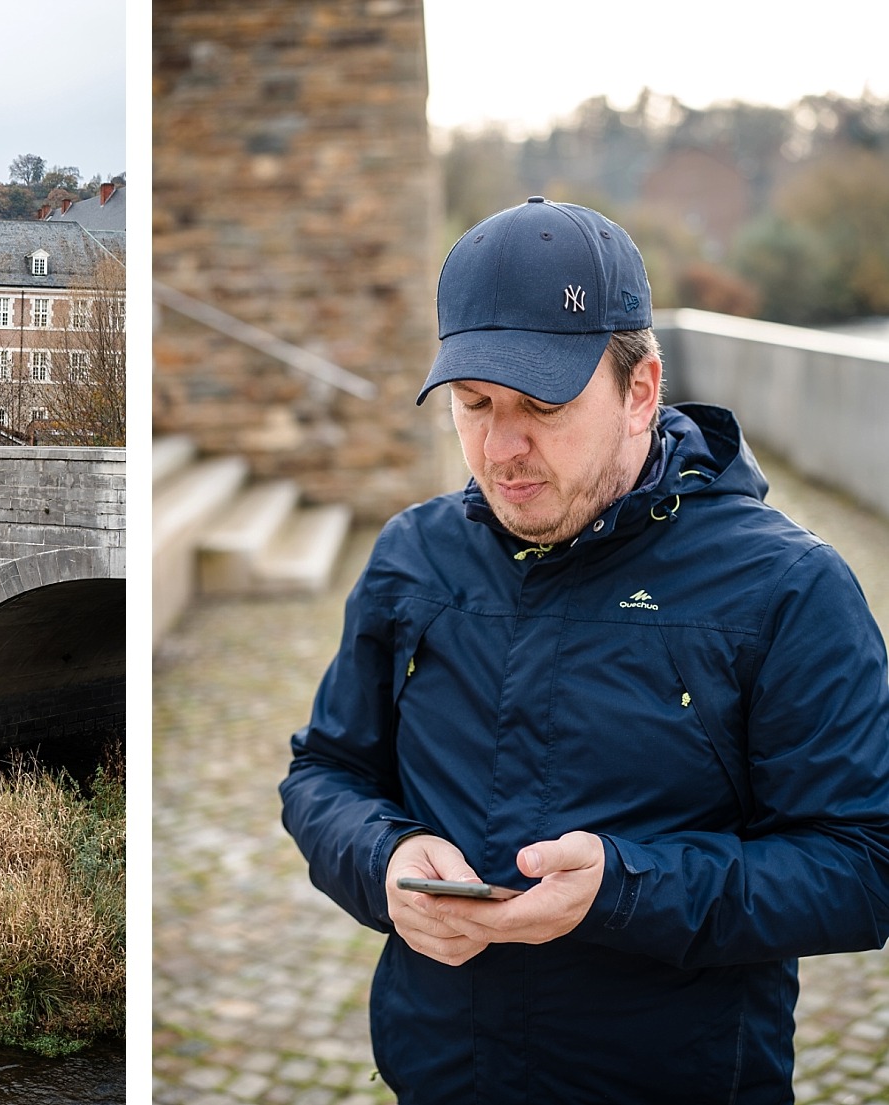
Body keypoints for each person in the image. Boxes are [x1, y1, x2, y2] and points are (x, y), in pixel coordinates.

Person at [279, 196, 889, 1103]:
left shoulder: (789, 588)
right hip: (444, 1075)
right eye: (474, 404)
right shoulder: (412, 555)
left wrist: (625, 887)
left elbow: (863, 864)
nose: (502, 447)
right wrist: (385, 863)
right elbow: (323, 771)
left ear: (641, 390)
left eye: (542, 404)